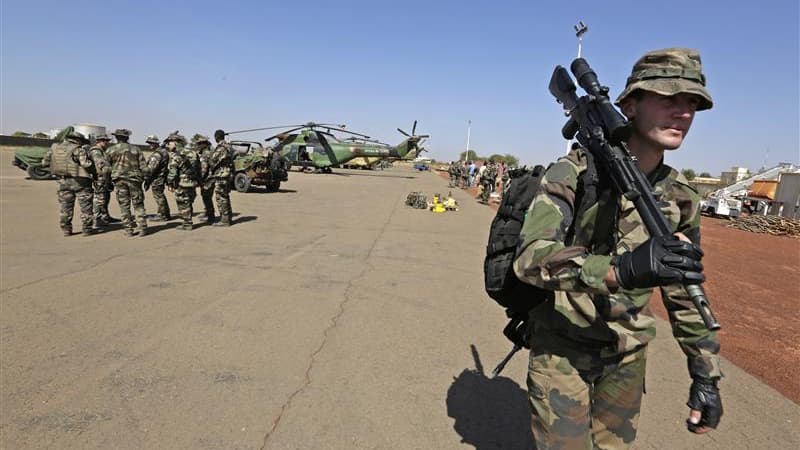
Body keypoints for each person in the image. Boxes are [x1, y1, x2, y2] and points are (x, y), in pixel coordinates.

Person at [513, 48, 721, 449]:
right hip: (563, 348)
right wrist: (620, 269)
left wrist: (705, 372)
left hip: (627, 352)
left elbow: (683, 288)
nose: (683, 113)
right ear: (630, 104)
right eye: (668, 98)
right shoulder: (575, 170)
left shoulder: (682, 196)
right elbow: (531, 257)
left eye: (692, 103)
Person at [41, 130, 95, 236]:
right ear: (78, 140)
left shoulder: (54, 147)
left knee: (65, 207)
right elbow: (86, 164)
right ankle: (87, 229)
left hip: (63, 181)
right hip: (81, 182)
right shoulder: (78, 149)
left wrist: (57, 172)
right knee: (86, 207)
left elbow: (44, 163)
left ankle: (66, 229)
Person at [106, 128, 148, 236]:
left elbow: (106, 168)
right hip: (134, 180)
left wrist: (108, 181)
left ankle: (128, 229)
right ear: (127, 137)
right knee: (138, 204)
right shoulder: (136, 149)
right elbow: (144, 167)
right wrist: (146, 179)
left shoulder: (110, 150)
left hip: (119, 180)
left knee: (124, 205)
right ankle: (142, 227)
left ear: (116, 137)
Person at [165, 132, 200, 230]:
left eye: (170, 142)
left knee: (183, 203)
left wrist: (169, 182)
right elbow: (198, 168)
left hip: (182, 183)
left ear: (175, 143)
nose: (168, 145)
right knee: (189, 202)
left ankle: (187, 224)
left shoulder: (176, 155)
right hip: (192, 182)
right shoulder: (193, 153)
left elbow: (173, 172)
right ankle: (188, 218)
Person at [206, 129, 234, 226]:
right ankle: (228, 218)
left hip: (221, 175)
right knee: (225, 196)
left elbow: (213, 160)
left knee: (221, 197)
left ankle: (225, 221)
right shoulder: (229, 147)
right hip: (227, 174)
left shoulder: (221, 148)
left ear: (217, 137)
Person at [87, 134, 115, 227]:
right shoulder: (96, 151)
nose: (106, 142)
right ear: (98, 141)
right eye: (103, 140)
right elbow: (102, 165)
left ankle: (105, 216)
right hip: (99, 178)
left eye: (107, 140)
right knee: (99, 199)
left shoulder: (103, 151)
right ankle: (97, 219)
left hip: (104, 178)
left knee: (105, 198)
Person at [144, 135, 171, 221]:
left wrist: (146, 179)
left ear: (156, 143)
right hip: (161, 177)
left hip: (157, 178)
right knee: (161, 196)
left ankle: (162, 215)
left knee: (159, 196)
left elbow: (151, 169)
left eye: (151, 143)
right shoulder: (163, 151)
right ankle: (166, 214)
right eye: (149, 143)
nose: (150, 145)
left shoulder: (157, 154)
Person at [194, 134, 216, 224]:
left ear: (204, 143)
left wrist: (198, 179)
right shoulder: (210, 151)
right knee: (206, 196)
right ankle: (208, 212)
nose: (198, 145)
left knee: (207, 197)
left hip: (208, 179)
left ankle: (211, 217)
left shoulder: (205, 153)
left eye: (200, 143)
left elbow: (204, 169)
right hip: (211, 178)